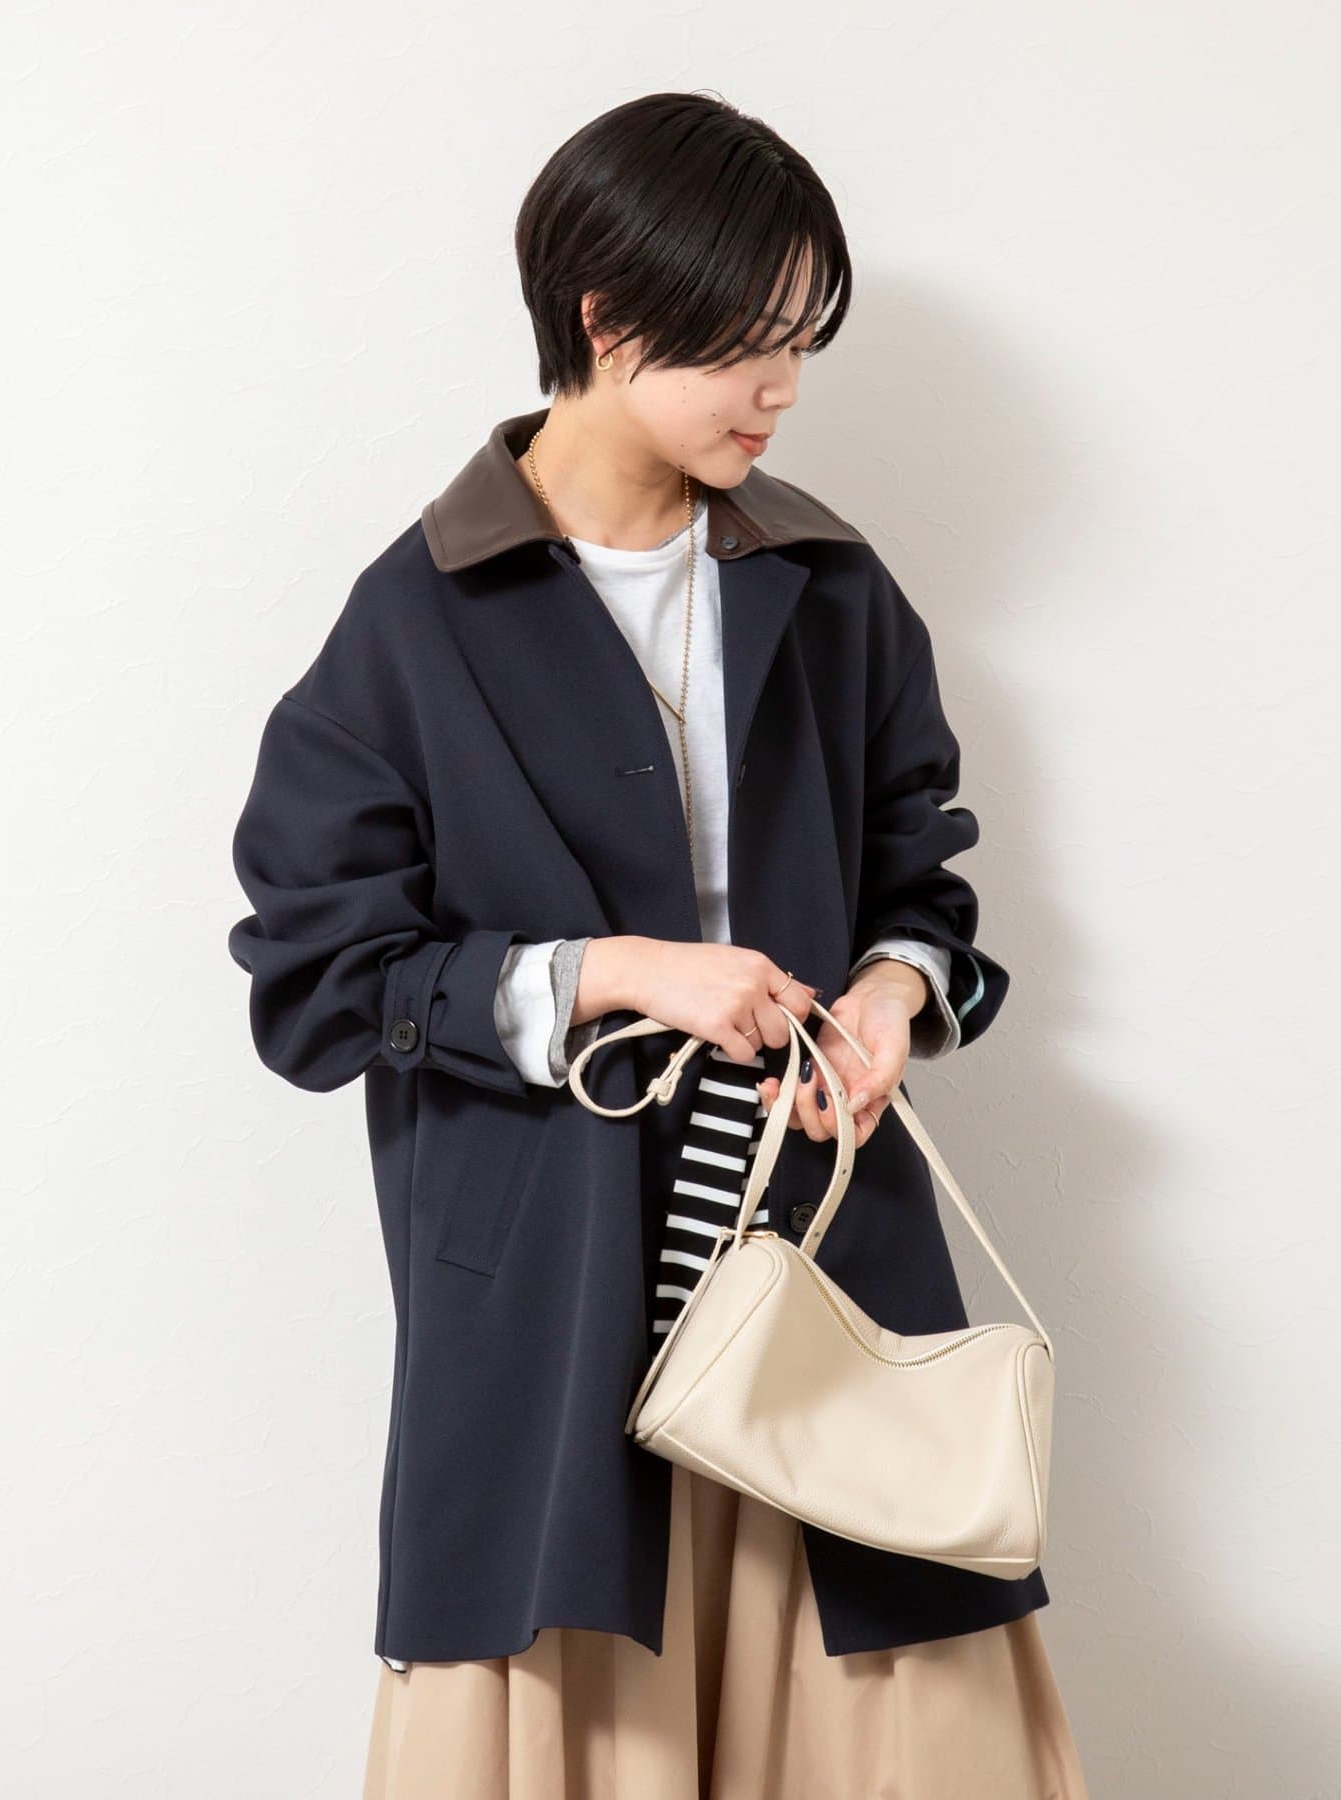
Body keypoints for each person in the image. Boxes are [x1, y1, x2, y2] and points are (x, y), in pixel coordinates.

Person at [229, 90, 1089, 1798]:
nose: (784, 388)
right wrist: (612, 972)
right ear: (609, 319)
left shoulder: (828, 585)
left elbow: (926, 872)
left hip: (817, 1261)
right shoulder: (413, 623)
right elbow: (316, 979)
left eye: (802, 344)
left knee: (915, 1719)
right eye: (748, 344)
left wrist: (892, 995)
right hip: (554, 1305)